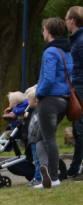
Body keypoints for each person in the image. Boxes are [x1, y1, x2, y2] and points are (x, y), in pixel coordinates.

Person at [34, 17, 73, 189]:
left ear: (48, 31)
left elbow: (48, 79)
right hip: (64, 99)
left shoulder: (50, 52)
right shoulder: (66, 50)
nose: (42, 32)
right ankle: (46, 171)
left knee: (48, 139)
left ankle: (53, 176)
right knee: (39, 137)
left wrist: (38, 94)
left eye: (43, 29)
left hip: (49, 100)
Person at [65, 6, 83, 180]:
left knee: (81, 128)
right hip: (77, 86)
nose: (65, 22)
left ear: (72, 20)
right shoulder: (76, 39)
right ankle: (75, 167)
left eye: (66, 19)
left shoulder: (81, 40)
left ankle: (78, 167)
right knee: (77, 130)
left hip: (81, 86)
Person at [24, 88, 42, 187]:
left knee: (37, 160)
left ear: (35, 102)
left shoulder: (37, 113)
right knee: (37, 160)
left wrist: (31, 139)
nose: (28, 102)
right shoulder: (34, 112)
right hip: (33, 140)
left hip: (35, 140)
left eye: (29, 100)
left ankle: (38, 178)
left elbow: (35, 128)